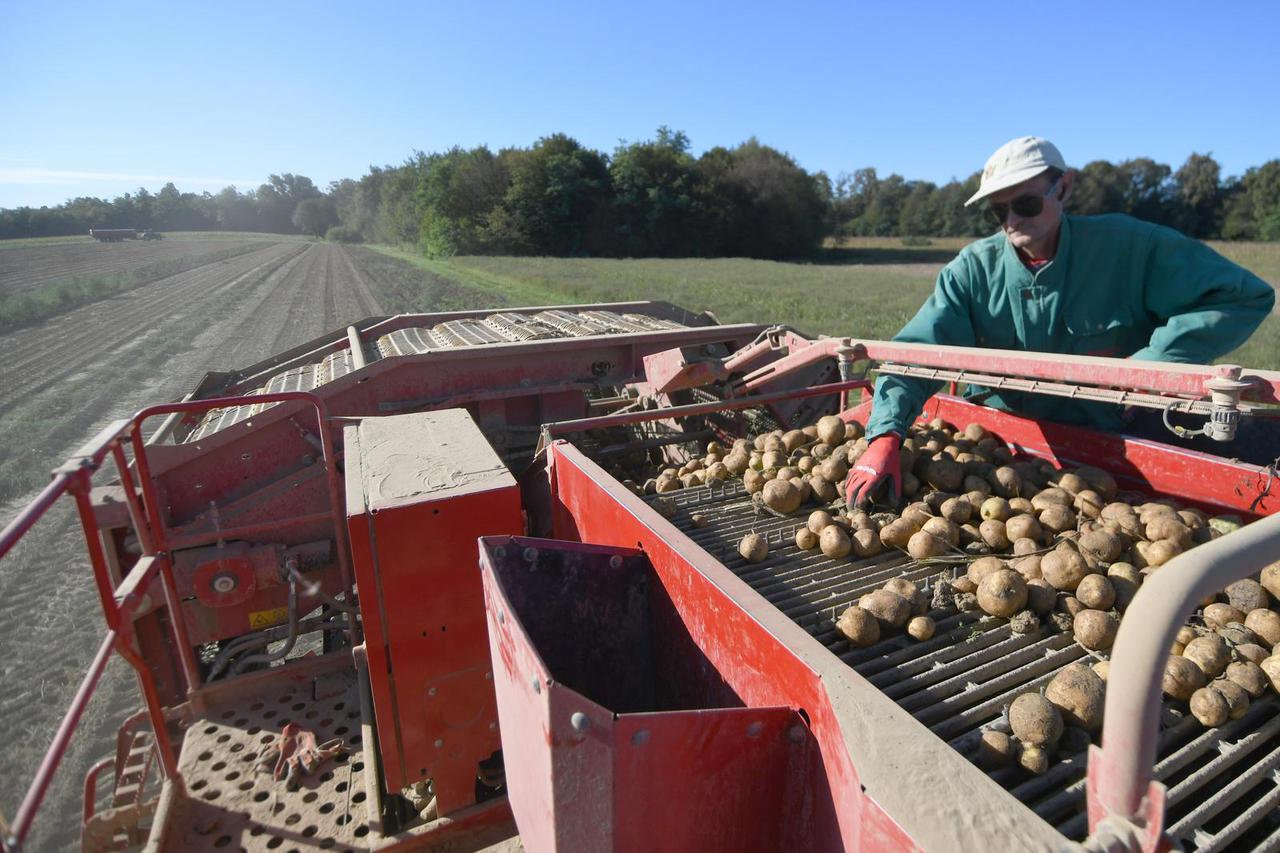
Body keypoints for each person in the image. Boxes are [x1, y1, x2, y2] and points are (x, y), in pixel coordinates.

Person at [845, 136, 1277, 508]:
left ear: (1064, 187)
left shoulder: (1130, 249)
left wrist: (1150, 365)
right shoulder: (972, 272)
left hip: (1111, 438)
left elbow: (1243, 295)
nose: (1013, 221)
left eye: (1026, 203)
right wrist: (885, 437)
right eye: (999, 211)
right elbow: (919, 354)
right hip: (1003, 442)